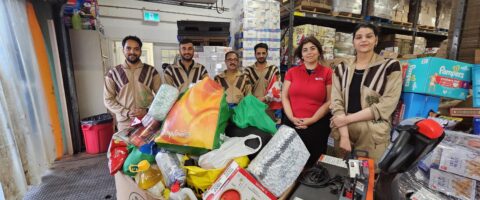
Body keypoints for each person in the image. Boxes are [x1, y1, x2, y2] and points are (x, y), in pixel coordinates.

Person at [330, 23, 402, 167]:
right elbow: (336, 101)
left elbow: (387, 104)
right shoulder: (341, 68)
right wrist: (344, 134)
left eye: (369, 36)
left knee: (366, 179)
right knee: (339, 175)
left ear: (376, 40)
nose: (364, 40)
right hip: (343, 129)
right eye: (359, 37)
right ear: (353, 42)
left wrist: (347, 119)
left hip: (372, 132)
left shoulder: (390, 66)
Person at [282, 36, 332, 166]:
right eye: (305, 50)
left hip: (316, 126)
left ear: (319, 51)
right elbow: (284, 97)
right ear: (301, 55)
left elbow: (329, 101)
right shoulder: (292, 72)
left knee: (312, 165)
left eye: (312, 48)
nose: (309, 52)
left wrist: (312, 120)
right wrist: (292, 118)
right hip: (291, 124)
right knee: (288, 162)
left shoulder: (327, 73)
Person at [104, 35, 162, 131]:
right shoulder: (113, 73)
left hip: (148, 120)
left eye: (136, 49)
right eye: (128, 48)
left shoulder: (151, 71)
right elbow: (108, 99)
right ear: (123, 50)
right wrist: (125, 112)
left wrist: (147, 110)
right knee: (126, 145)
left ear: (140, 51)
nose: (132, 52)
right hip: (125, 123)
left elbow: (161, 96)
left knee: (148, 146)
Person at [244, 43, 282, 120]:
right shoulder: (248, 70)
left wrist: (265, 98)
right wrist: (254, 102)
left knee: (269, 131)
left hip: (269, 109)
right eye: (258, 53)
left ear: (267, 53)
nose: (261, 55)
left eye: (263, 53)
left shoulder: (274, 69)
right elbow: (246, 90)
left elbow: (277, 89)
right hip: (254, 108)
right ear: (255, 54)